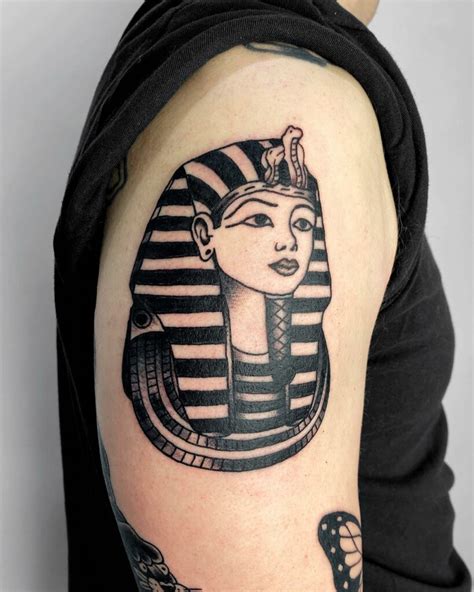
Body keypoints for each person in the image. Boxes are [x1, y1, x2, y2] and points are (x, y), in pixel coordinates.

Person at [53, 1, 471, 590]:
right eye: (257, 219)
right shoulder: (274, 93)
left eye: (301, 222)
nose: (287, 241)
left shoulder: (222, 63)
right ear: (203, 234)